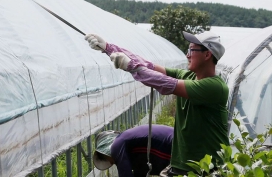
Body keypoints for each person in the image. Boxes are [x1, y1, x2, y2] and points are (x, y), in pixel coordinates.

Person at [85, 31, 229, 176]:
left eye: (192, 50)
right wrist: (109, 48)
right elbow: (148, 66)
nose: (187, 55)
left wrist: (132, 67)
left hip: (208, 168)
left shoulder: (214, 87)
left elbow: (165, 83)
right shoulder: (189, 76)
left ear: (207, 54)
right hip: (183, 164)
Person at [93, 124, 173, 177]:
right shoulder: (132, 150)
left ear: (106, 151)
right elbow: (140, 172)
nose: (111, 163)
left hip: (174, 145)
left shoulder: (117, 145)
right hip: (176, 141)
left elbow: (126, 175)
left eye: (106, 159)